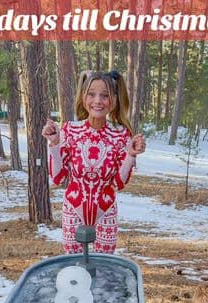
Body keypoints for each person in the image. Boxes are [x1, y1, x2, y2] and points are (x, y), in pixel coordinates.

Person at [42, 70, 146, 254]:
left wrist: (131, 155)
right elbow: (58, 177)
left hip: (106, 209)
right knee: (73, 267)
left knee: (105, 267)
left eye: (104, 95)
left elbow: (118, 183)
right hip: (73, 206)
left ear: (114, 99)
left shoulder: (121, 135)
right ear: (84, 97)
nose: (97, 100)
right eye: (92, 94)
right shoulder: (70, 130)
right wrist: (54, 144)